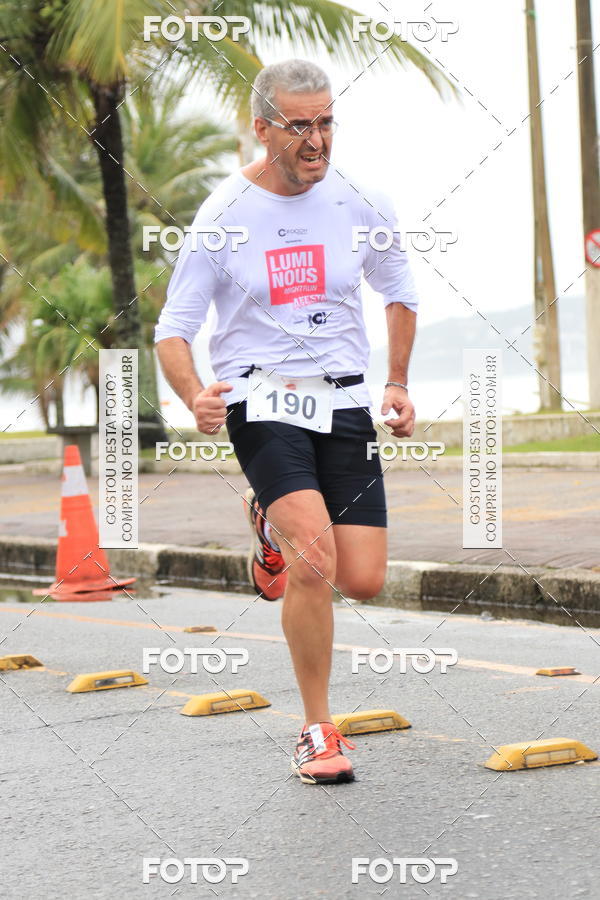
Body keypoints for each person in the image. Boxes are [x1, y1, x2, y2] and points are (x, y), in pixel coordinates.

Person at [154, 59, 418, 785]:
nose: (316, 140)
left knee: (360, 579)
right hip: (261, 398)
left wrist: (395, 381)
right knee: (315, 559)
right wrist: (193, 397)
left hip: (341, 400)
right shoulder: (225, 215)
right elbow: (173, 330)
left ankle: (264, 523)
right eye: (298, 125)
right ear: (262, 127)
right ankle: (316, 729)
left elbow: (398, 290)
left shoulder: (361, 201)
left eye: (326, 121)